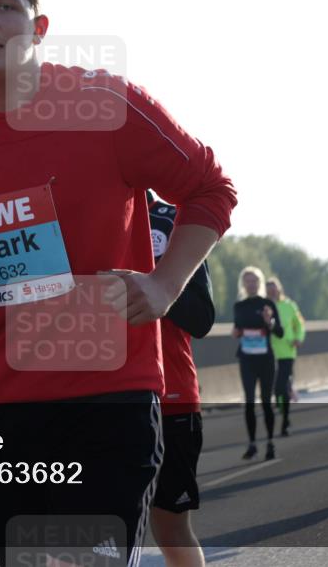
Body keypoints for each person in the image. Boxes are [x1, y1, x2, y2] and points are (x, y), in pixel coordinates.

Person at [0, 0, 237, 567]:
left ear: (40, 27)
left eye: (6, 6)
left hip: (107, 392)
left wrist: (164, 286)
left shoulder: (106, 104)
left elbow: (211, 188)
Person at [148, 193, 216, 567]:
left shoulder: (173, 220)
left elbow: (203, 319)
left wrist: (155, 284)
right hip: (100, 396)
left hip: (170, 397)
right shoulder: (82, 215)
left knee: (170, 530)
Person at [232, 267, 284, 460]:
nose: (251, 284)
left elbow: (280, 332)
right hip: (247, 358)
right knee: (249, 401)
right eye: (248, 281)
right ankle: (252, 443)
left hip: (265, 359)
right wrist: (236, 332)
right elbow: (238, 328)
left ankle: (270, 442)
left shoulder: (267, 304)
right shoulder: (239, 306)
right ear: (243, 284)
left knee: (266, 401)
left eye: (254, 280)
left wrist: (268, 321)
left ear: (259, 283)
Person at [265, 278, 304, 436]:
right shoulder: (264, 307)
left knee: (281, 386)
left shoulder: (289, 305)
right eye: (268, 289)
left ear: (279, 289)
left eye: (274, 288)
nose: (272, 291)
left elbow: (299, 324)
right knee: (276, 389)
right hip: (269, 351)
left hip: (287, 350)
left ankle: (285, 422)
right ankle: (284, 412)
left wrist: (298, 338)